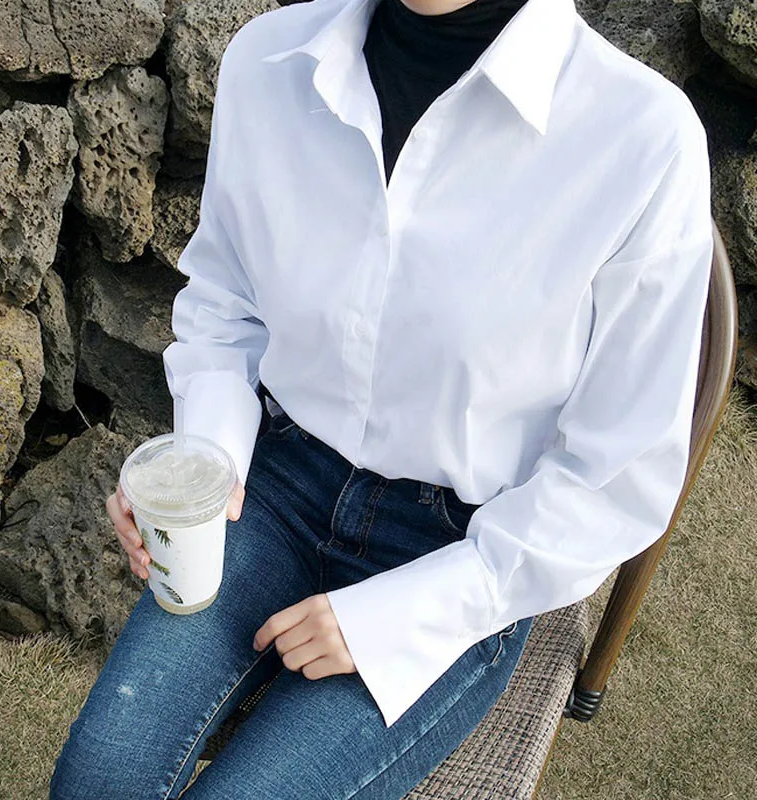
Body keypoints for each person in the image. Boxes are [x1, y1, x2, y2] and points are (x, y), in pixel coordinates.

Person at [49, 0, 714, 795]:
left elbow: (616, 474)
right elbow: (226, 302)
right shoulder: (270, 60)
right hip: (273, 485)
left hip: (463, 548)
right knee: (97, 779)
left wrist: (403, 618)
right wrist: (204, 469)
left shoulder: (641, 138)